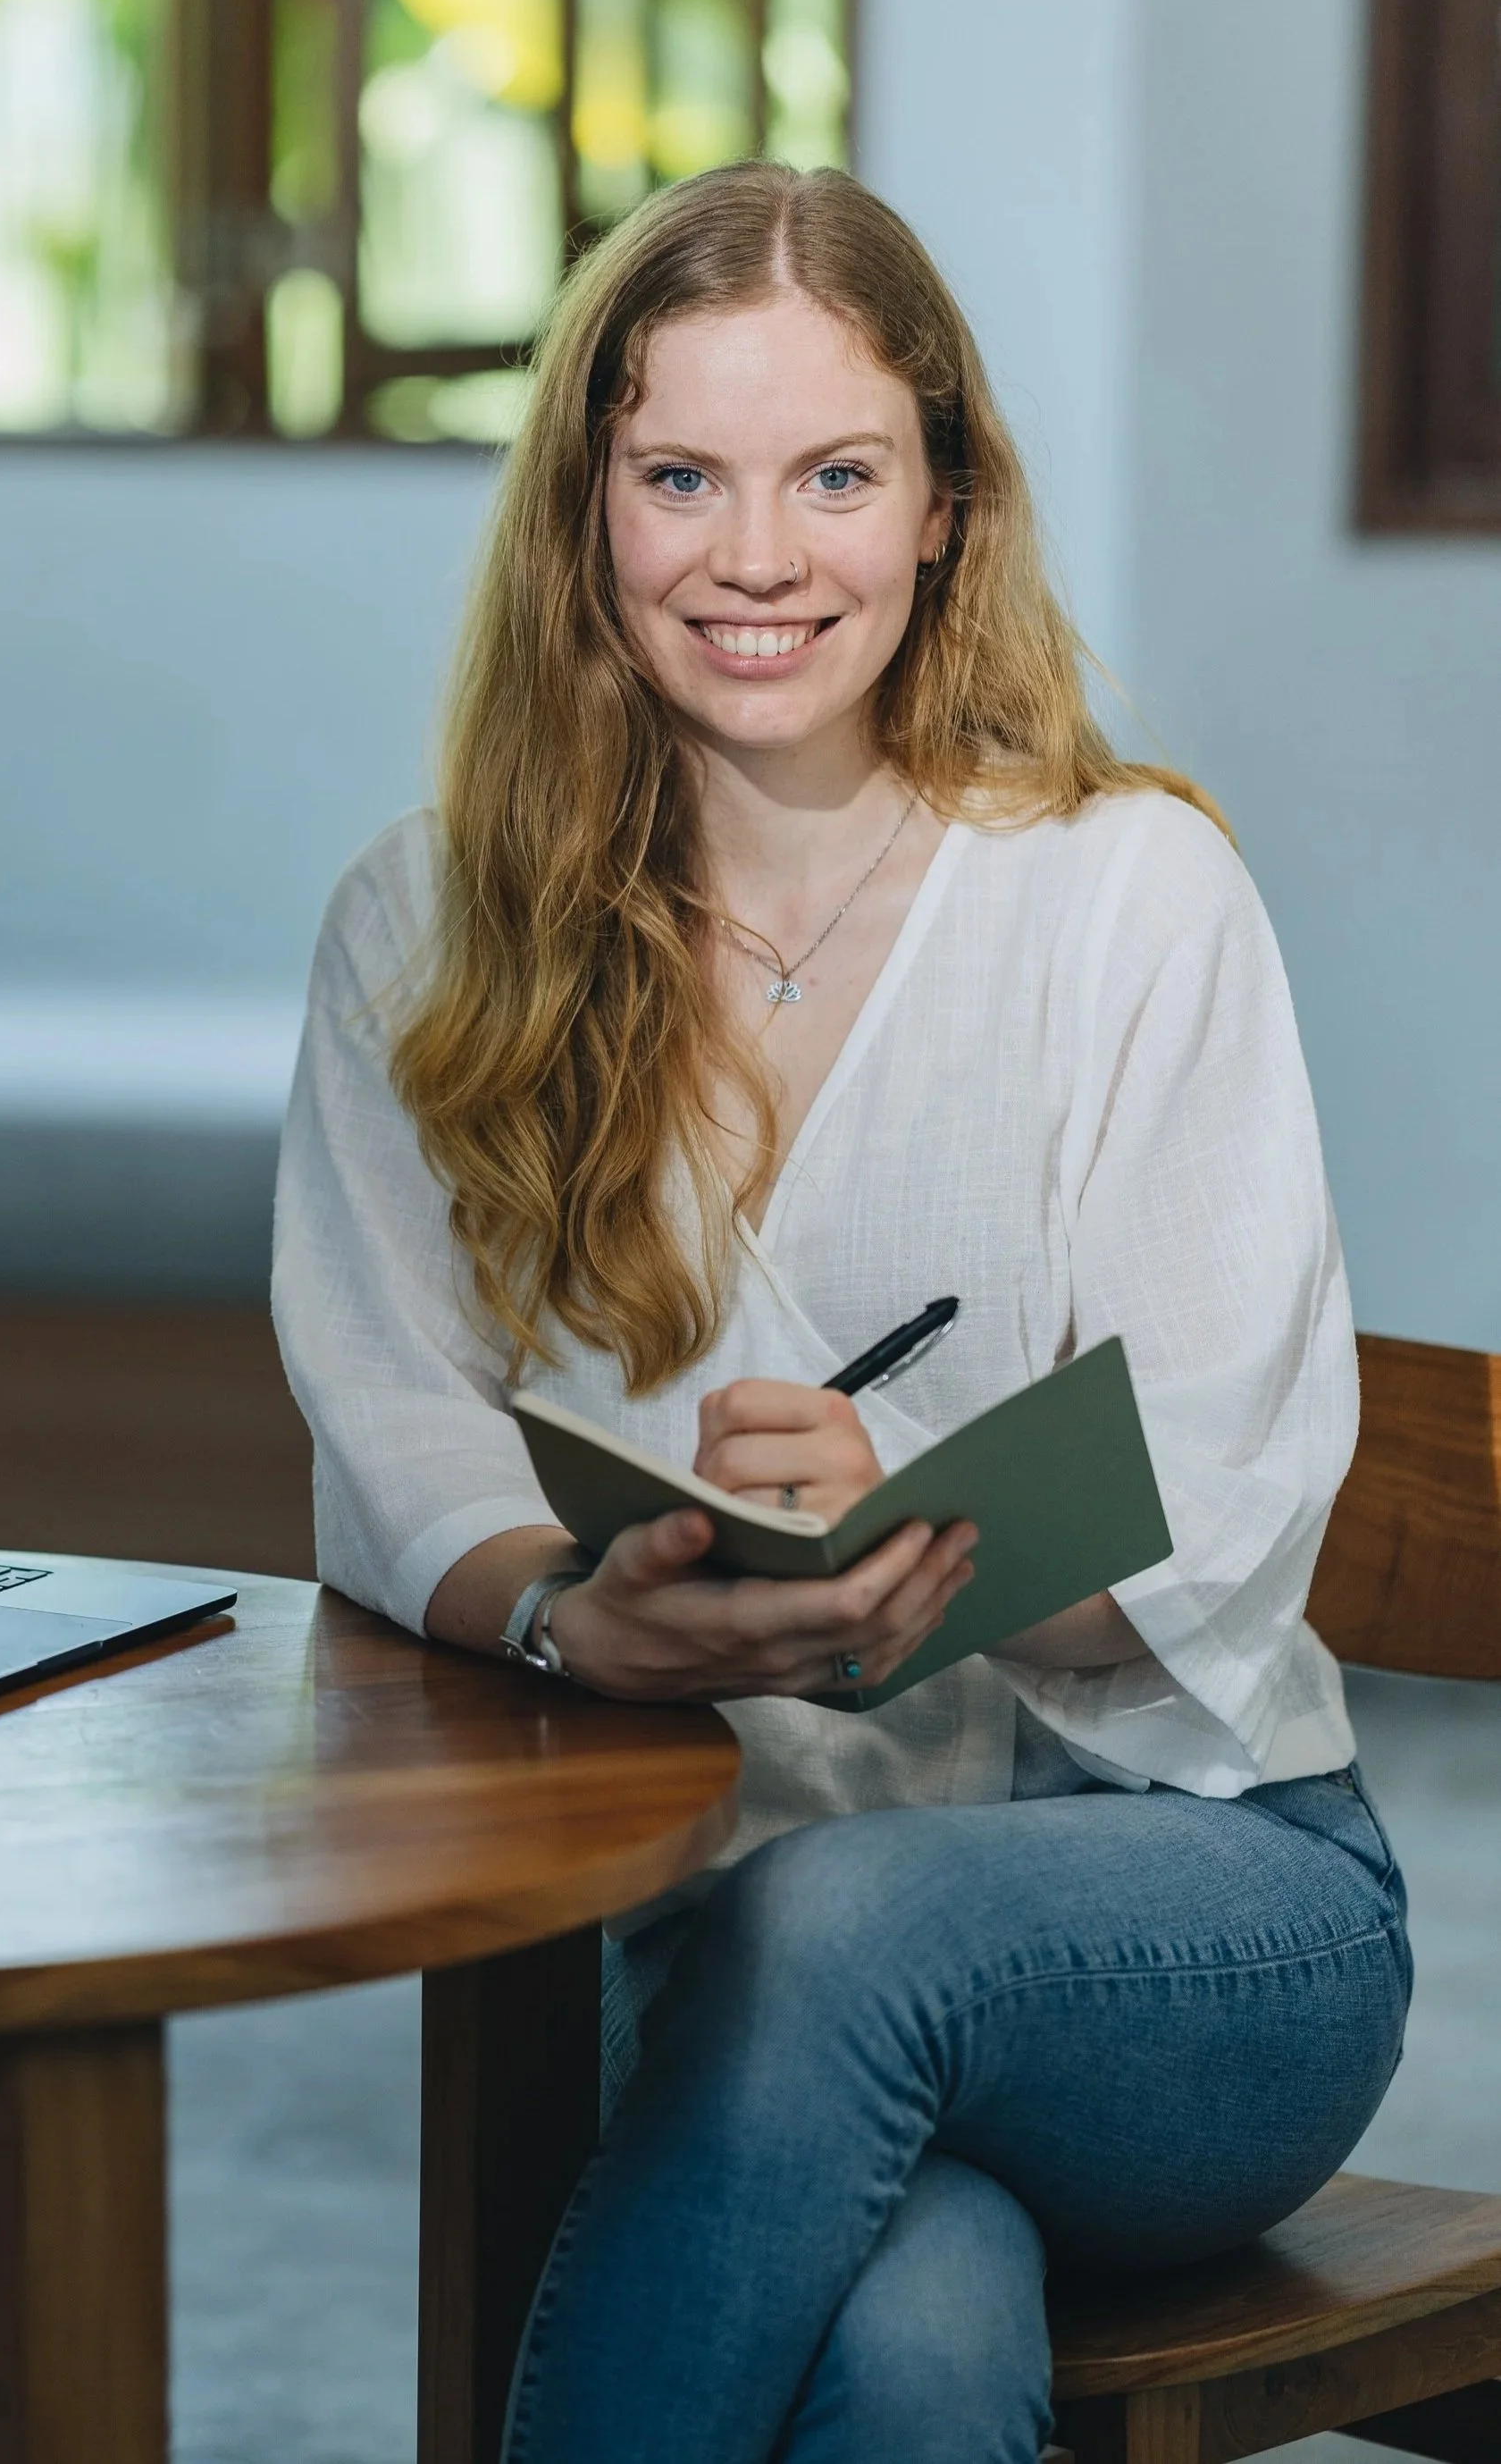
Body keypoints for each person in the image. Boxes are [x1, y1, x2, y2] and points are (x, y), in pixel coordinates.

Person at [271, 162, 1410, 2464]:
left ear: (945, 503)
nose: (759, 558)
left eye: (837, 476)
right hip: (689, 1919)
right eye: (680, 475)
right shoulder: (425, 927)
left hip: (1200, 1914)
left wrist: (922, 1543)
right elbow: (390, 1428)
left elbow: (1224, 1506)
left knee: (845, 1933)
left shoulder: (1129, 896)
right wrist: (564, 1628)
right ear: (581, 512)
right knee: (910, 2327)